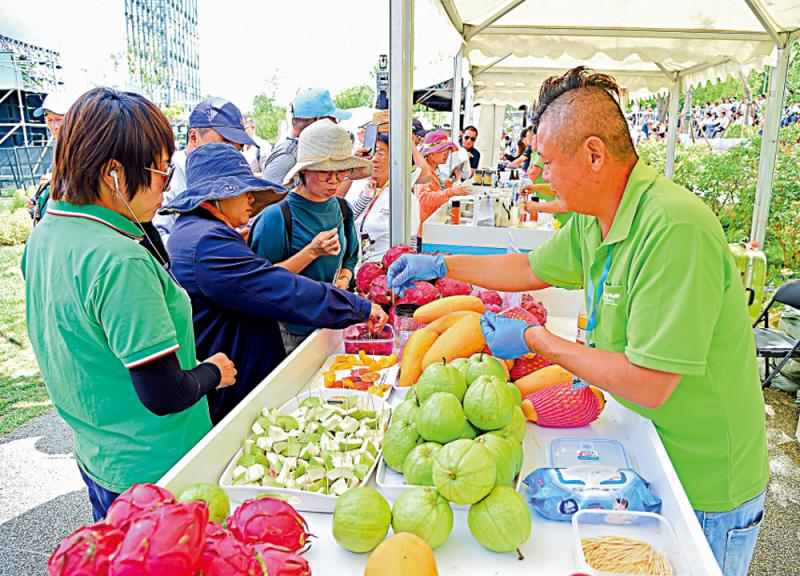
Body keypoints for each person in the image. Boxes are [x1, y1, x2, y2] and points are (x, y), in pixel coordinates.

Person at [387, 66, 768, 576]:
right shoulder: (596, 218)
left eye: (547, 162)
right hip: (641, 452)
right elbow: (528, 267)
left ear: (593, 154)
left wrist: (535, 339)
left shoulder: (676, 229)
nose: (539, 177)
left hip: (702, 482)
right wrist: (441, 264)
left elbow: (651, 383)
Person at [22, 88, 236, 520]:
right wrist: (215, 371)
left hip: (99, 454)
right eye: (162, 172)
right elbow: (163, 391)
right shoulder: (119, 261)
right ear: (114, 174)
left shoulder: (47, 233)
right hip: (157, 469)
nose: (167, 186)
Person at [163, 143, 386, 423]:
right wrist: (355, 307)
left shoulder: (195, 232)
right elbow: (280, 289)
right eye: (244, 192)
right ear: (217, 197)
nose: (252, 200)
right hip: (233, 383)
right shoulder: (208, 242)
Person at [251, 120, 372, 351]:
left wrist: (342, 283)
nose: (334, 181)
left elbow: (350, 257)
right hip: (289, 330)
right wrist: (312, 252)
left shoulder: (342, 208)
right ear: (304, 170)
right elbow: (260, 283)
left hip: (331, 321)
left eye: (341, 172)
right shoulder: (277, 216)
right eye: (325, 172)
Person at [153, 97, 256, 244]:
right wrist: (212, 242)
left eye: (237, 148)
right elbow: (157, 236)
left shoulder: (235, 173)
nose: (231, 153)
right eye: (224, 143)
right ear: (193, 136)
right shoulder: (168, 174)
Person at [344, 111, 431, 262]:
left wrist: (405, 137)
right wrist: (351, 166)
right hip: (352, 267)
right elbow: (341, 209)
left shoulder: (400, 185)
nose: (375, 159)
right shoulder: (358, 182)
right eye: (373, 152)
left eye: (381, 153)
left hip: (382, 271)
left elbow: (426, 174)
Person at [260, 88, 352, 185]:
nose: (336, 123)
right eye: (333, 119)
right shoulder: (289, 156)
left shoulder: (304, 150)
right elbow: (267, 196)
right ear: (319, 120)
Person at [29, 91, 76, 224]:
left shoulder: (85, 147)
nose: (54, 126)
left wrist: (56, 180)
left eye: (59, 119)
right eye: (49, 120)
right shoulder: (60, 147)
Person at [414, 130, 469, 241]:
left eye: (448, 151)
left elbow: (435, 189)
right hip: (426, 231)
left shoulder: (433, 169)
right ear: (430, 153)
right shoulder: (425, 172)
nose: (446, 154)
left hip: (431, 228)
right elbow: (424, 198)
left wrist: (449, 182)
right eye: (442, 150)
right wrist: (452, 191)